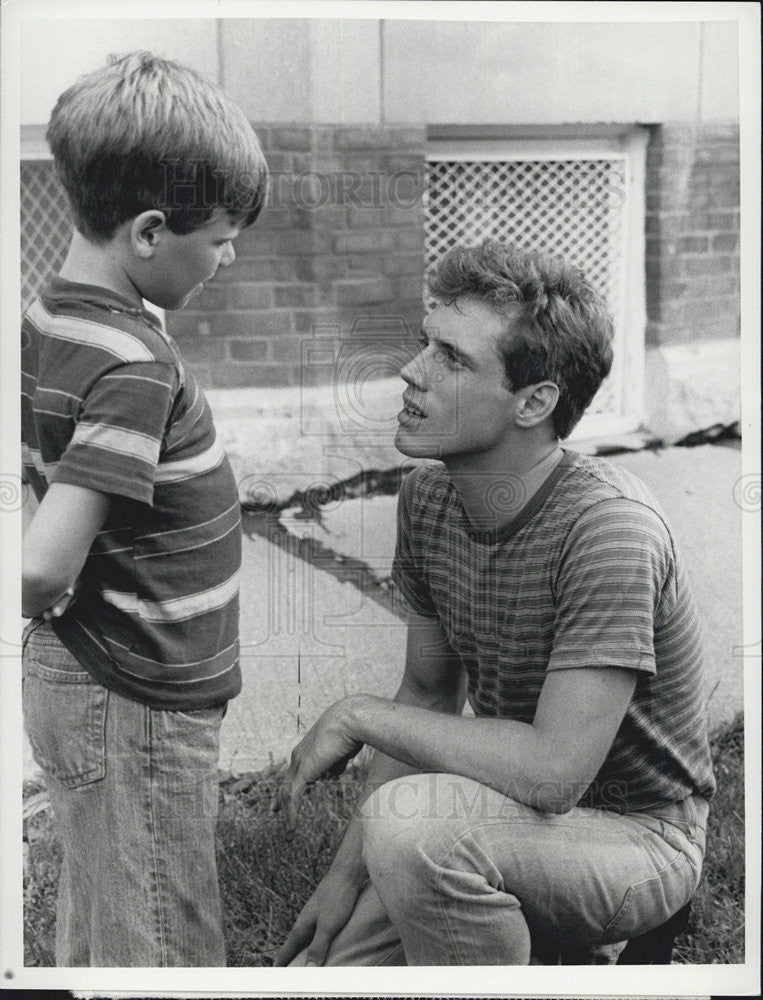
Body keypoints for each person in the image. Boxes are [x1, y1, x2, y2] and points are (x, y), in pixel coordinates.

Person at [274, 239, 716, 967]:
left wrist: (355, 714)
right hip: (501, 811)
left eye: (451, 359)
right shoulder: (427, 496)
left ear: (533, 402)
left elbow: (552, 772)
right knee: (319, 971)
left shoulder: (608, 529)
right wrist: (346, 876)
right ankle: (543, 933)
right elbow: (427, 692)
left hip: (637, 838)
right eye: (425, 345)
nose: (409, 373)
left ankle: (589, 938)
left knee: (413, 826)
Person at [21, 51, 268, 967]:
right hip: (133, 693)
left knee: (107, 912)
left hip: (95, 672)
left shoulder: (52, 315)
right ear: (152, 232)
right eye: (222, 236)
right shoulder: (132, 364)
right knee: (162, 938)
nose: (230, 255)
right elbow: (44, 562)